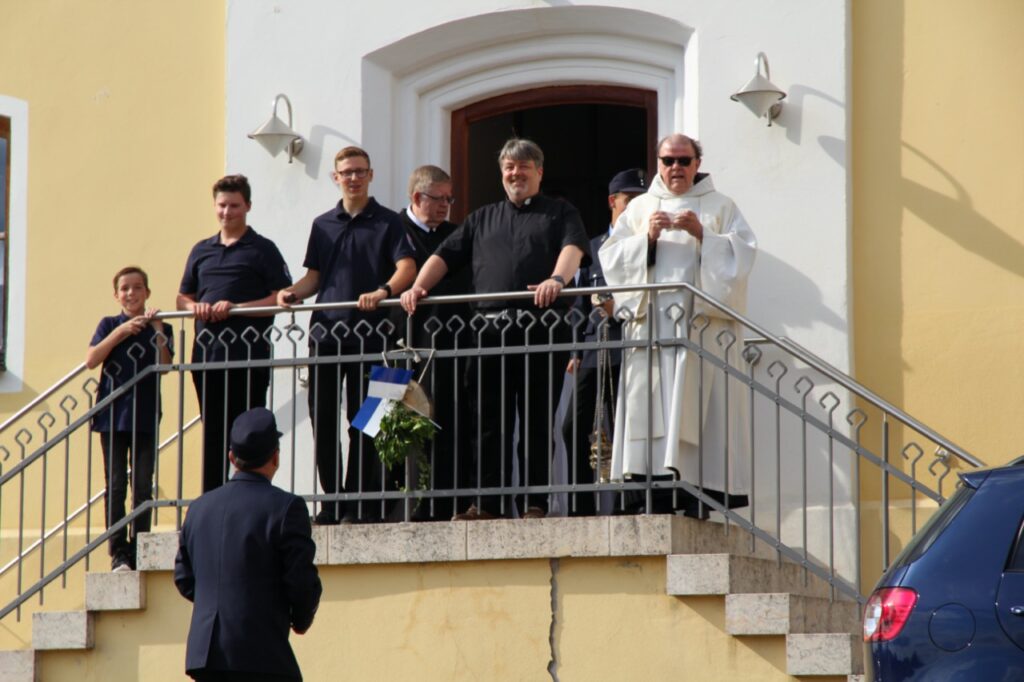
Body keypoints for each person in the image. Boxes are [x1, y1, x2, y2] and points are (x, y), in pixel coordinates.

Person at [402, 138, 590, 520]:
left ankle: (535, 503)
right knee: (487, 422)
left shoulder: (560, 212)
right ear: (502, 173)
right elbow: (444, 255)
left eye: (523, 167)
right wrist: (418, 286)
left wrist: (557, 279)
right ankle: (487, 504)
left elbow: (574, 249)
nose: (515, 173)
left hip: (541, 329)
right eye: (509, 167)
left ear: (539, 172)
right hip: (488, 333)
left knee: (537, 420)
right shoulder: (481, 218)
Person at [599, 133, 757, 516]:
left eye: (684, 161)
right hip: (651, 332)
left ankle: (697, 496)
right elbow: (611, 258)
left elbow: (743, 257)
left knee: (699, 412)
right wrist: (647, 240)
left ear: (697, 164)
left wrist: (703, 234)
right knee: (651, 410)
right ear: (658, 163)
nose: (676, 168)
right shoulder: (640, 208)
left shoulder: (722, 206)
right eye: (668, 160)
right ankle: (648, 494)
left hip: (701, 332)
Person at [277, 146, 416, 524]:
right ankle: (333, 502)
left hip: (374, 336)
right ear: (335, 178)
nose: (353, 178)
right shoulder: (322, 224)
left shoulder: (389, 222)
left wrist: (383, 291)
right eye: (346, 172)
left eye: (359, 171)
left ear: (370, 175)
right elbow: (314, 278)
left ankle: (359, 504)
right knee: (323, 421)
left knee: (366, 422)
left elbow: (407, 268)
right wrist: (291, 293)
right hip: (325, 335)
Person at [174, 407, 322, 682]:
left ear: (232, 458)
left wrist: (224, 603)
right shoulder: (287, 508)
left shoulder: (198, 508)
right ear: (275, 457)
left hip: (206, 656)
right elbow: (301, 580)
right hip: (262, 654)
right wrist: (301, 619)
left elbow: (184, 578)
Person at [178, 174, 292, 493]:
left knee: (250, 433)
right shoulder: (201, 250)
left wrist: (236, 308)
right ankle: (213, 499)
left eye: (234, 206)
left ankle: (250, 495)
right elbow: (182, 297)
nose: (227, 212)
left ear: (248, 206)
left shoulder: (263, 249)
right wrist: (197, 308)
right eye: (222, 205)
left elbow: (281, 297)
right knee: (213, 432)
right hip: (207, 357)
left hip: (248, 357)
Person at [561, 169, 645, 515]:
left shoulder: (645, 243)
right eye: (630, 200)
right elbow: (580, 302)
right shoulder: (593, 246)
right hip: (595, 347)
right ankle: (580, 506)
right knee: (573, 425)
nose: (636, 207)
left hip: (632, 345)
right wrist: (576, 349)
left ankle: (628, 505)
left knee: (624, 425)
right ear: (613, 201)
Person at [86, 266, 172, 571]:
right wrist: (121, 332)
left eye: (137, 287)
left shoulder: (159, 326)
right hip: (112, 415)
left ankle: (140, 546)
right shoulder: (109, 324)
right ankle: (119, 551)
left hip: (145, 414)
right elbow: (91, 359)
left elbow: (165, 365)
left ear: (147, 292)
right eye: (125, 288)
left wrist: (158, 328)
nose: (131, 293)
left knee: (142, 484)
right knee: (116, 484)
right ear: (116, 295)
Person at [397, 165, 471, 521]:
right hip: (393, 345)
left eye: (449, 199)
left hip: (444, 344)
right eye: (438, 198)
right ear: (416, 197)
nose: (445, 205)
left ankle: (440, 506)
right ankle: (385, 505)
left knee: (443, 421)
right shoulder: (391, 229)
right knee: (383, 421)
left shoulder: (456, 236)